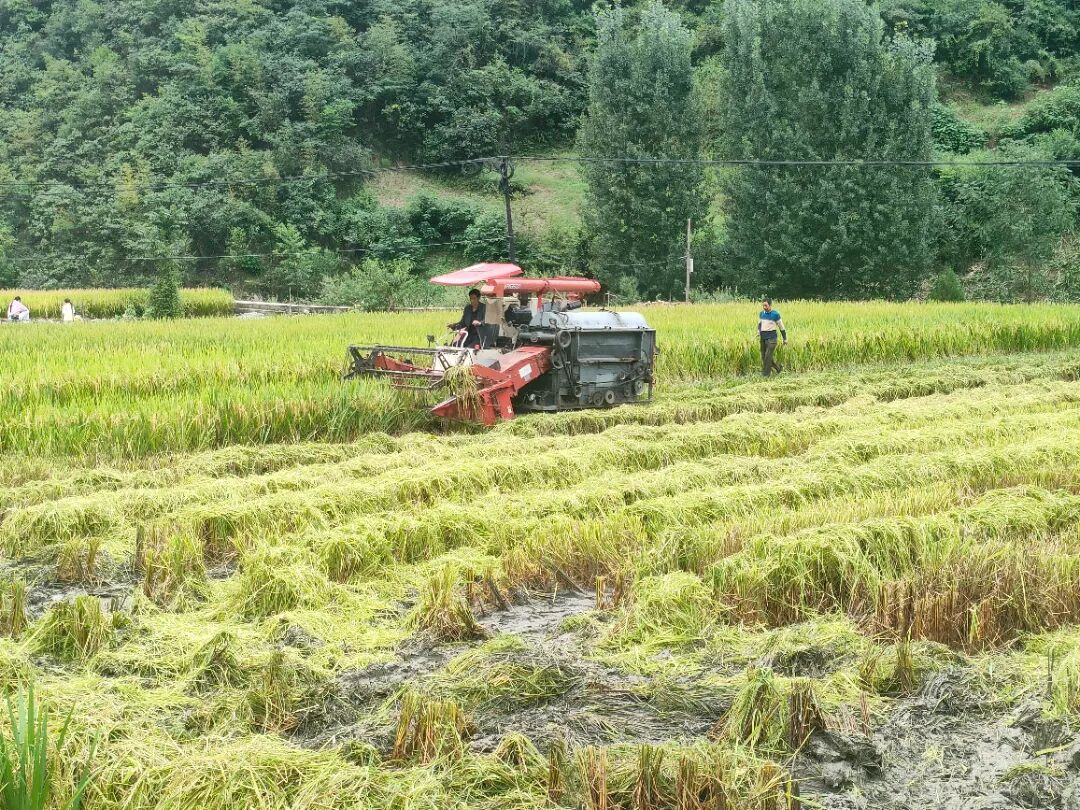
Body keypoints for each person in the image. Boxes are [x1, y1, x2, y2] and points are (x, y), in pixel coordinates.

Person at [758, 298, 787, 376]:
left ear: (770, 305)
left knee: (767, 357)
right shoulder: (761, 314)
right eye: (763, 305)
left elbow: (782, 327)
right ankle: (778, 368)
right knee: (764, 357)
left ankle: (766, 375)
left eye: (766, 305)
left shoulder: (775, 315)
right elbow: (760, 324)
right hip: (763, 338)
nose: (764, 307)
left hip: (772, 339)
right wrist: (758, 331)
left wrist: (785, 339)